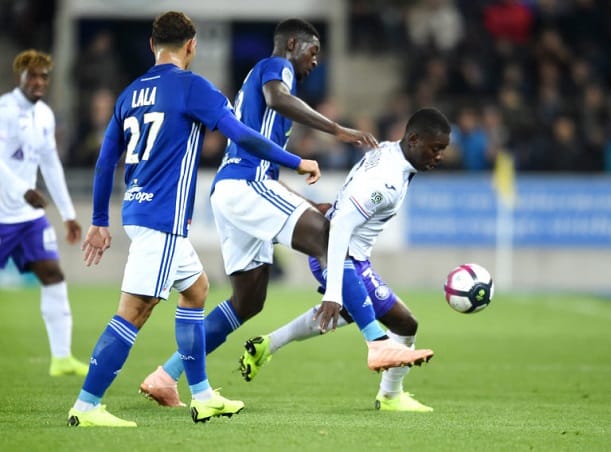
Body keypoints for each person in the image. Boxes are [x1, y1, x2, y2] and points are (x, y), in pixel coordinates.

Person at [139, 18, 433, 408]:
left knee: (248, 301)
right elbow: (278, 99)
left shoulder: (260, 80)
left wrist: (309, 205)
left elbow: (267, 168)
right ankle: (377, 342)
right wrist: (337, 129)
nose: (314, 62)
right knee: (330, 238)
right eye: (312, 52)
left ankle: (165, 375)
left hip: (235, 189)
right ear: (292, 44)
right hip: (247, 185)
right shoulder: (276, 68)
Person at [66, 11, 320, 428]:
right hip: (163, 217)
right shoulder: (194, 88)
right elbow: (243, 136)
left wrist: (98, 220)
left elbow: (104, 161)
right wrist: (296, 160)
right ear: (192, 45)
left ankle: (202, 396)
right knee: (133, 312)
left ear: (152, 45)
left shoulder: (129, 94)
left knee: (197, 290)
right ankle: (86, 405)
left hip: (138, 209)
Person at [240, 108, 451, 412]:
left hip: (345, 253)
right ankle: (391, 396)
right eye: (436, 148)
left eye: (443, 149)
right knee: (405, 324)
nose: (440, 155)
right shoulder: (387, 181)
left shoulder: (392, 151)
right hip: (342, 256)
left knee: (350, 313)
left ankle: (266, 345)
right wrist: (334, 289)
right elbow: (340, 227)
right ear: (414, 140)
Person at [0, 49, 89, 378]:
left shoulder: (45, 116)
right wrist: (22, 190)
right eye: (32, 76)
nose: (38, 82)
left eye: (43, 77)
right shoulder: (5, 110)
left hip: (28, 218)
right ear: (19, 77)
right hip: (2, 215)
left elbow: (50, 166)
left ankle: (62, 358)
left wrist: (67, 213)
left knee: (52, 274)